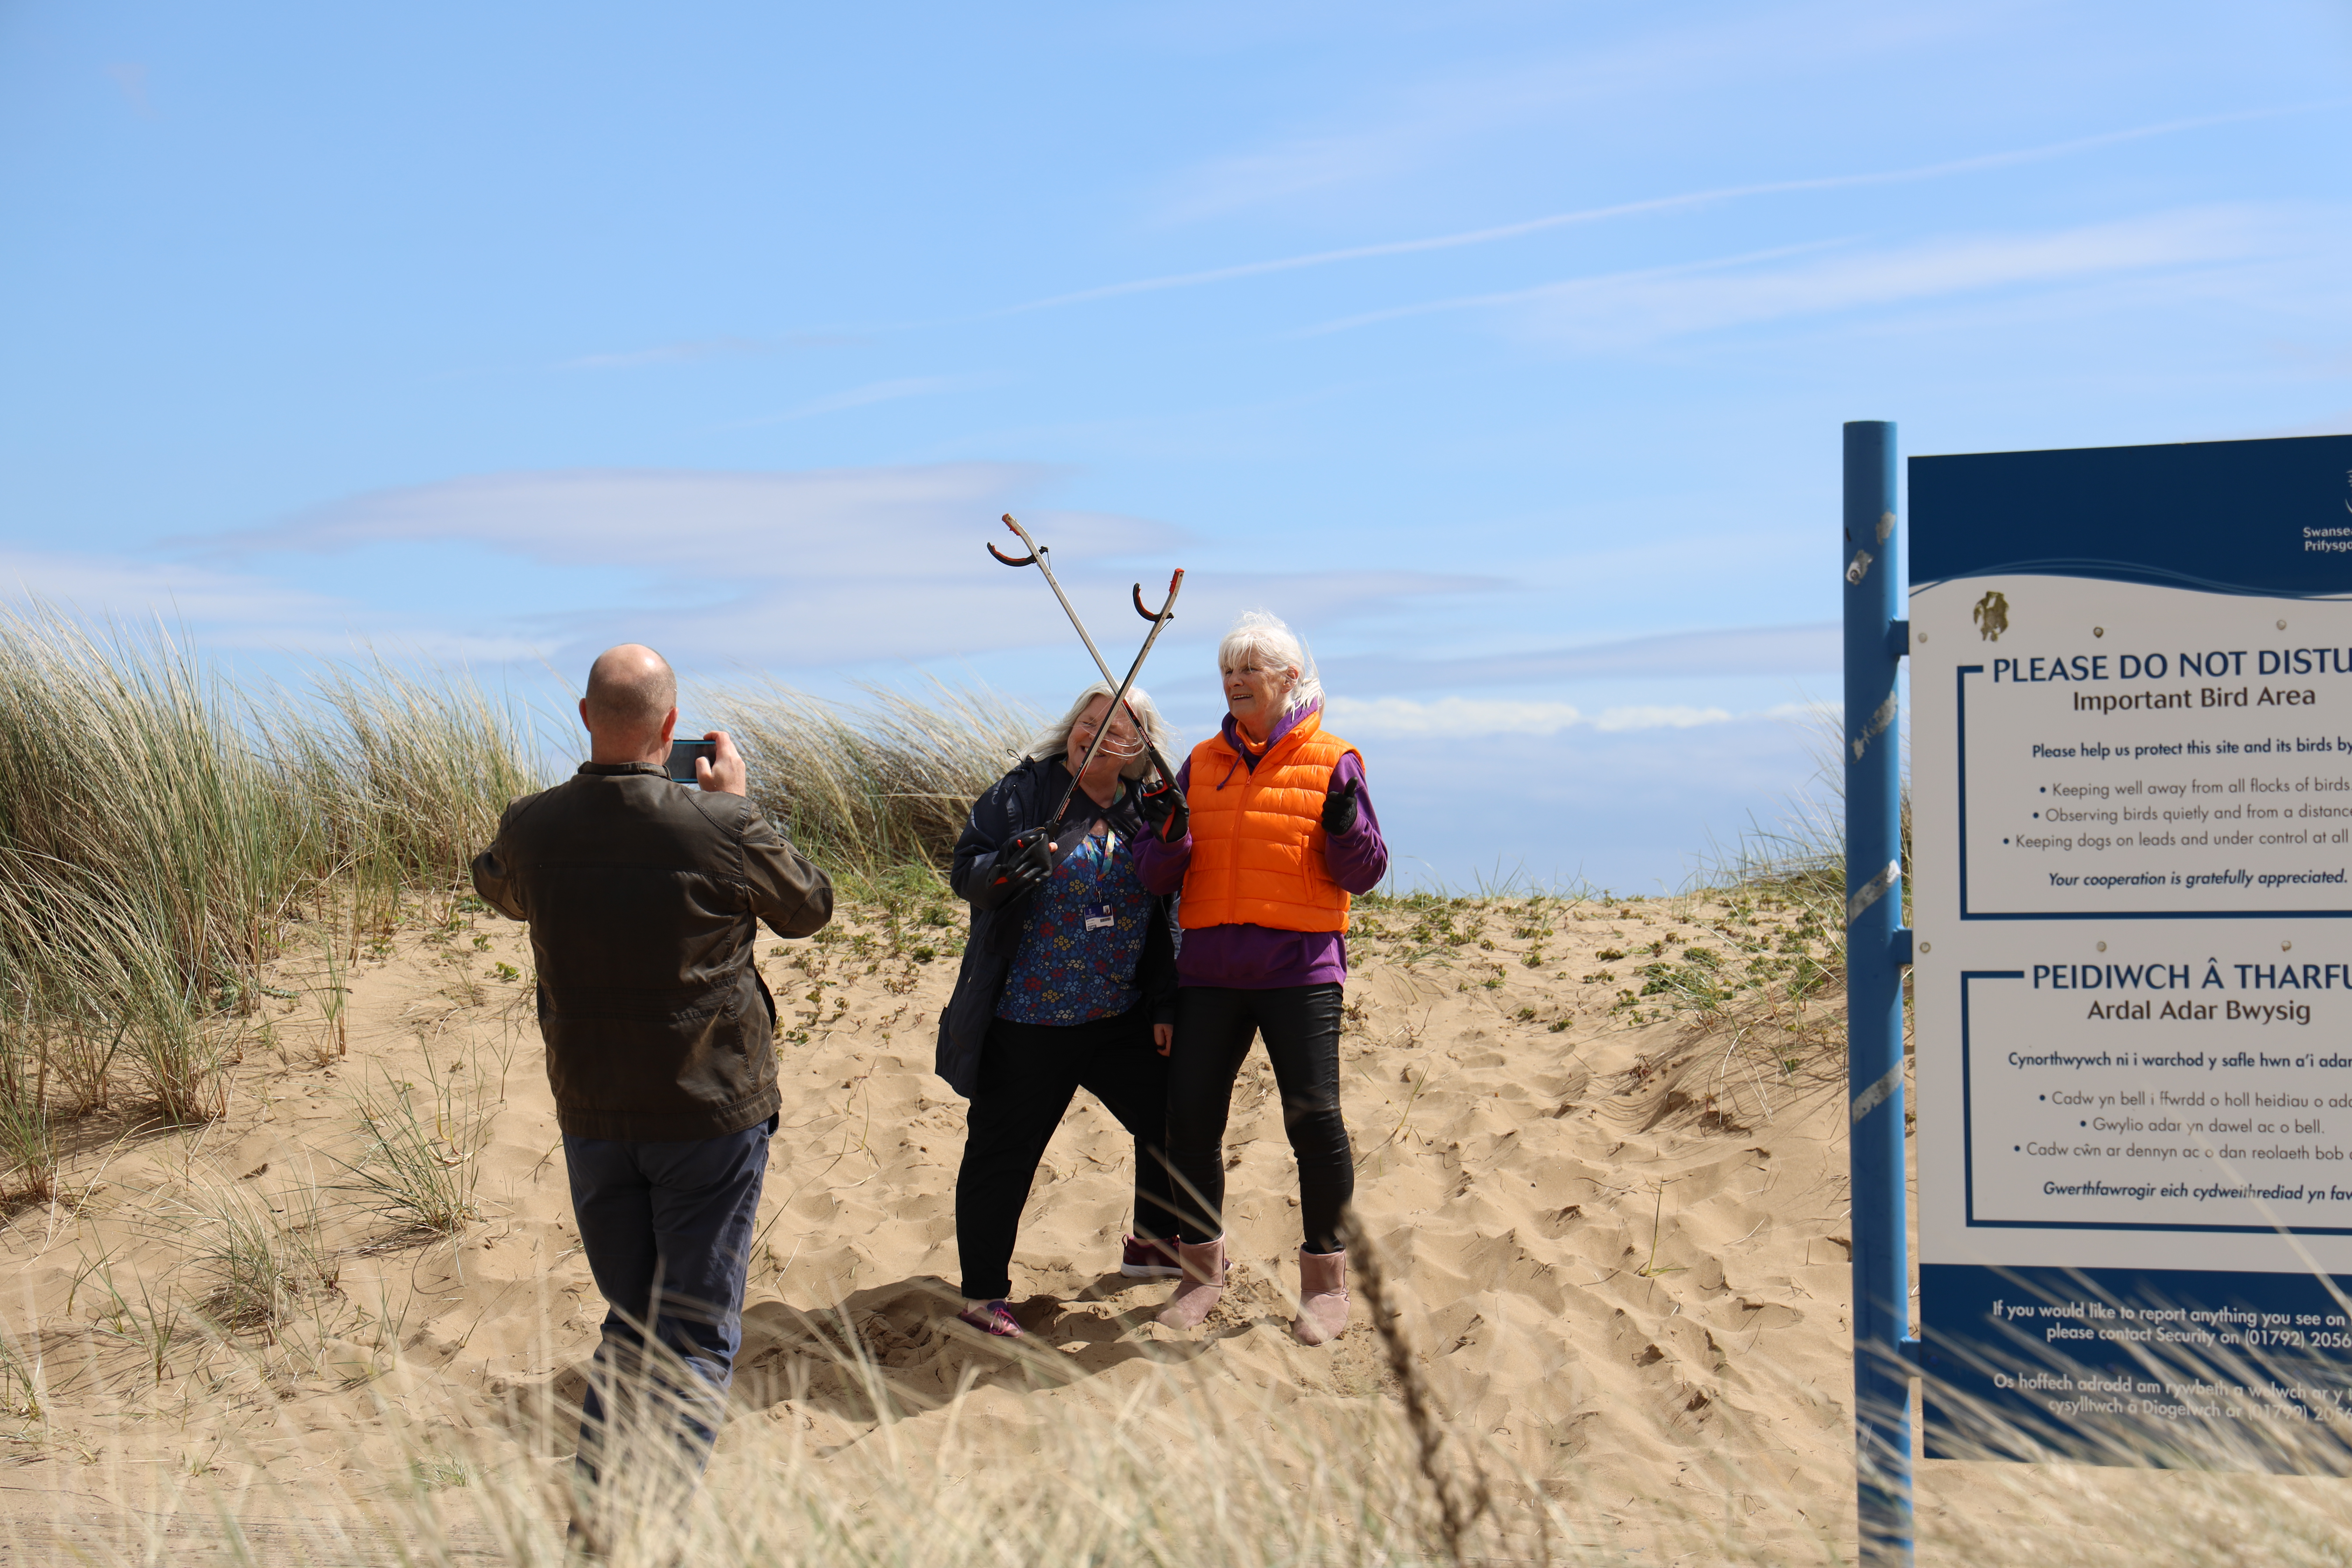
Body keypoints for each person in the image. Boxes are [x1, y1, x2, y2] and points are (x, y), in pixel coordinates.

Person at [470, 644, 832, 1540]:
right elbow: (809, 906)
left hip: (594, 1106)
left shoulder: (534, 825)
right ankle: (653, 1531)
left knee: (633, 1323)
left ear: (587, 717)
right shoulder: (719, 826)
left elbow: (497, 887)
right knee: (699, 1336)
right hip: (708, 1108)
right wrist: (732, 804)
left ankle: (595, 1522)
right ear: (672, 729)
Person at [1129, 610, 1387, 1345]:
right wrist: (1169, 834)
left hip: (1300, 970)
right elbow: (1155, 873)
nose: (1236, 680)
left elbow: (1365, 872)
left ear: (1288, 679)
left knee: (1315, 1124)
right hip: (1210, 969)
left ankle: (1325, 1282)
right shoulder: (1201, 762)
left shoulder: (1336, 758)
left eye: (1250, 669)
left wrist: (1345, 826)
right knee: (1191, 1125)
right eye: (1227, 670)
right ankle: (1201, 1273)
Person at [936, 681, 1185, 1338]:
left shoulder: (1145, 808)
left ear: (1140, 748)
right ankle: (983, 1295)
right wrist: (1001, 872)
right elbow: (966, 868)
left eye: (1113, 727)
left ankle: (1153, 1246)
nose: (1093, 734)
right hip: (1029, 1018)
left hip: (1118, 1015)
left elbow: (1168, 912)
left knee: (1167, 1119)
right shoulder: (1022, 793)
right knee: (1002, 1153)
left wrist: (1163, 1003)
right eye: (1086, 720)